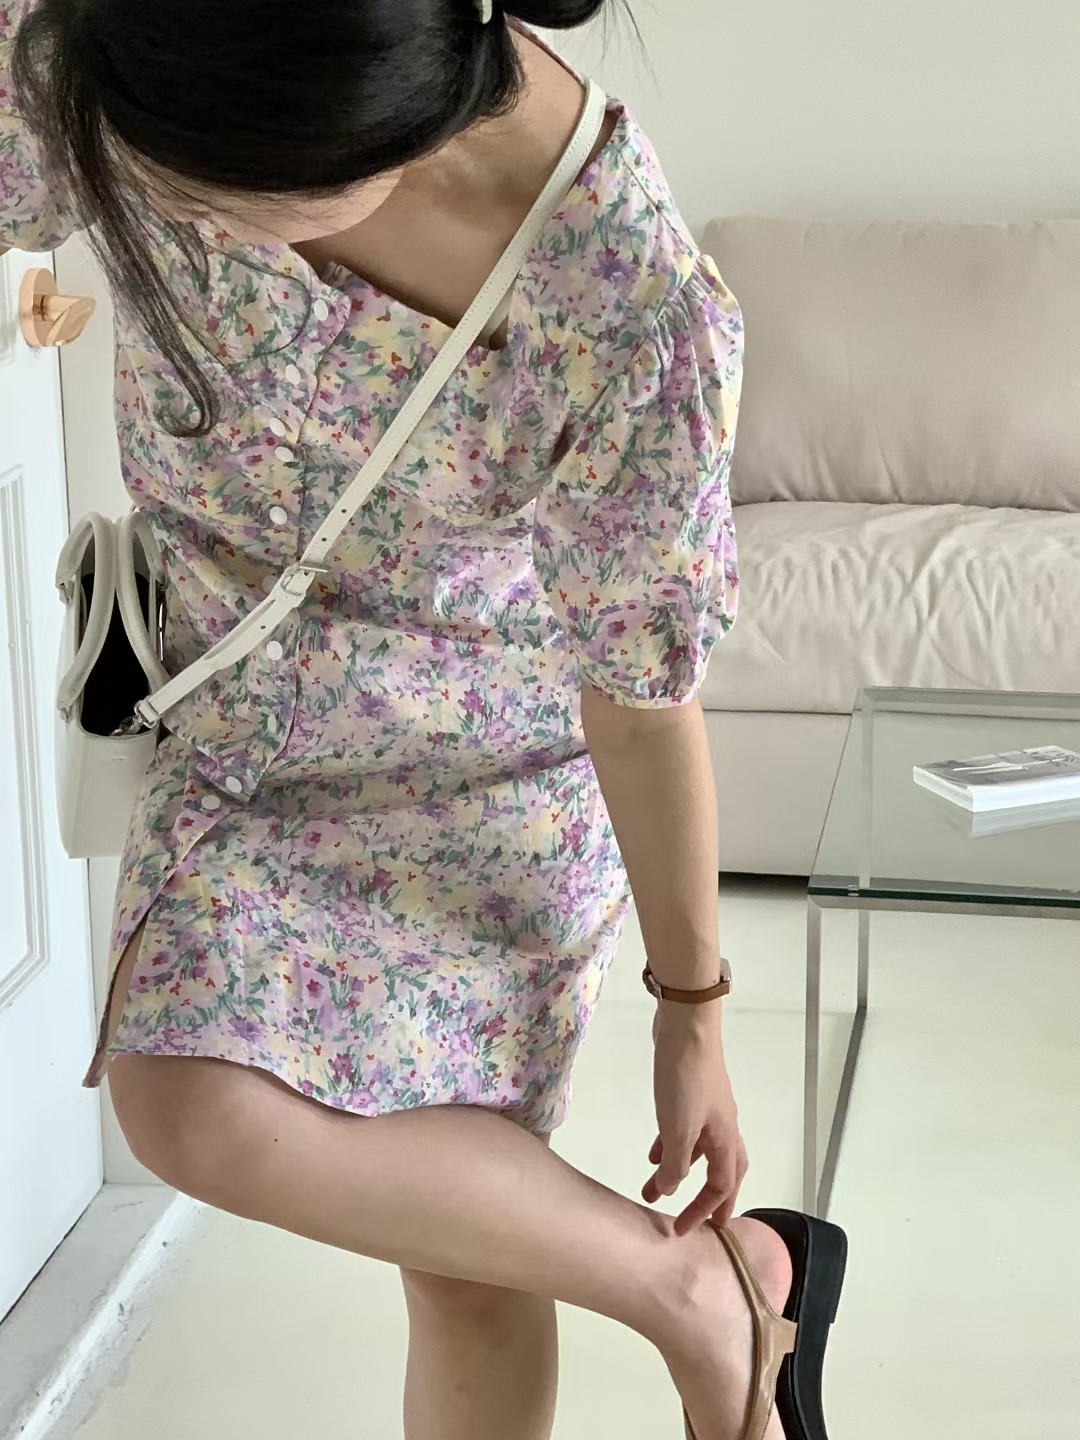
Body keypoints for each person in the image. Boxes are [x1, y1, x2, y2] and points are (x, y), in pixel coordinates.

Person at [1, 2, 845, 1437]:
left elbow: (641, 701)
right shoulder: (140, 43)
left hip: (493, 778)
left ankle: (717, 1295)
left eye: (211, 199)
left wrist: (693, 1010)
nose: (173, 221)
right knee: (188, 1101)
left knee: (465, 1263)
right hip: (243, 737)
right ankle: (703, 1293)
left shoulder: (624, 302)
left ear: (352, 130)